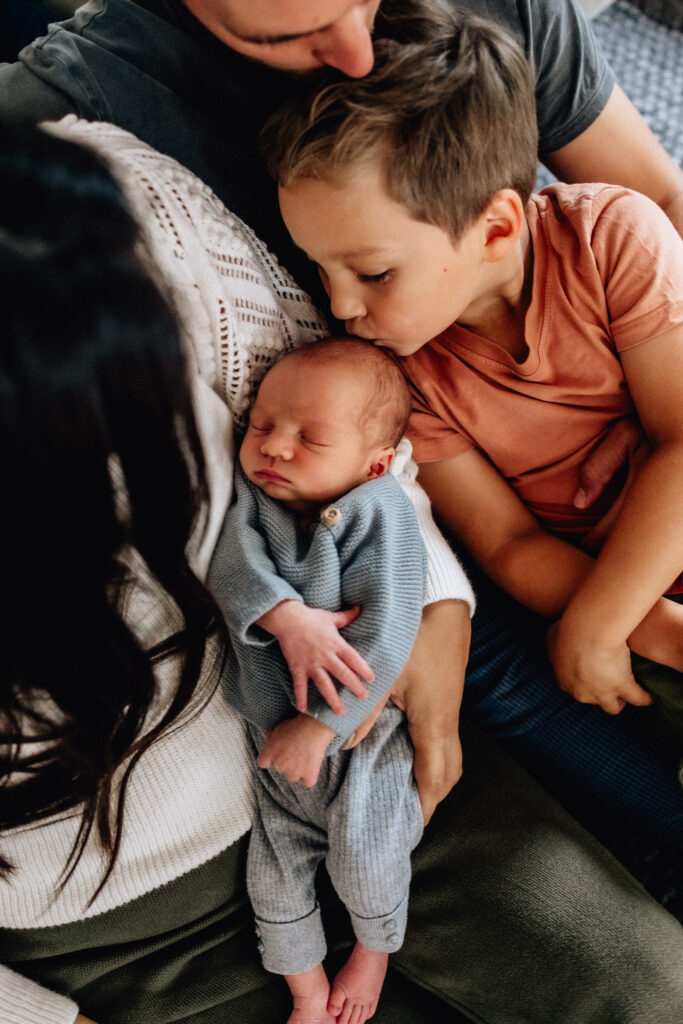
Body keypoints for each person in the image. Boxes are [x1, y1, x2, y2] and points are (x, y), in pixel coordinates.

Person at [6, 115, 683, 1024]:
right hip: (114, 923)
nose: (345, 304)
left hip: (371, 741)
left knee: (649, 991)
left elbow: (356, 422)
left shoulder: (106, 198)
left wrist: (434, 605)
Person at [260, 6, 683, 862]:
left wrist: (602, 624)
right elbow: (507, 543)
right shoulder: (404, 375)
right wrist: (629, 626)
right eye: (319, 268)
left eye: (372, 272)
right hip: (603, 597)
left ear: (495, 227)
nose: (340, 305)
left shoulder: (614, 236)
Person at [209, 340, 433, 1024]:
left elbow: (388, 630)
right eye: (262, 425)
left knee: (366, 861)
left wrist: (320, 726)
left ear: (373, 464)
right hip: (273, 752)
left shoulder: (380, 512)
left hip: (359, 747)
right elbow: (230, 565)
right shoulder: (256, 501)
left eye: (309, 438)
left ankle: (374, 947)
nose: (274, 447)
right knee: (272, 882)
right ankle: (305, 992)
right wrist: (285, 618)